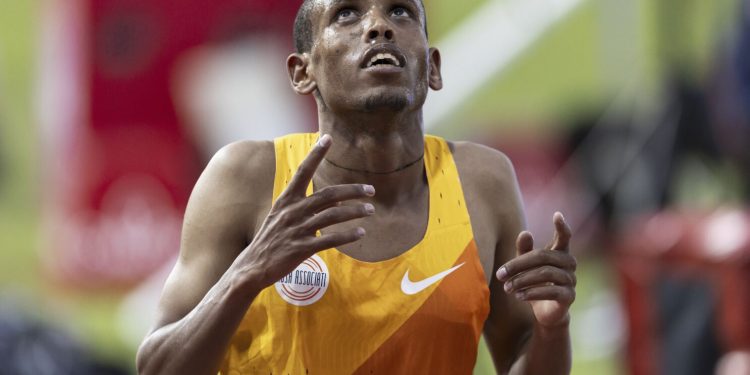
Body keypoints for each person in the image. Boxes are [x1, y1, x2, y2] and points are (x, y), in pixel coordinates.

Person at [135, 0, 577, 373]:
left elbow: (522, 353)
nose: (379, 26)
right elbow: (157, 365)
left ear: (434, 67)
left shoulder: (482, 181)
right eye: (347, 14)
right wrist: (247, 274)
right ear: (301, 72)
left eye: (401, 12)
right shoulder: (246, 176)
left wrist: (551, 329)